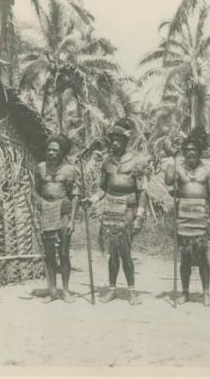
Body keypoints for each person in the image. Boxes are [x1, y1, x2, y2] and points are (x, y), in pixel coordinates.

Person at [85, 119, 147, 305]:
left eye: (118, 139)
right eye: (112, 139)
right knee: (112, 252)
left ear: (126, 141)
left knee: (125, 251)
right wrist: (92, 199)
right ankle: (112, 290)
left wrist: (139, 216)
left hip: (128, 208)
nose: (114, 143)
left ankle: (132, 292)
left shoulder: (136, 163)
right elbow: (103, 188)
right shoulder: (107, 163)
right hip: (109, 209)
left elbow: (142, 191)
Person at [164, 128, 210, 307]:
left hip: (201, 214)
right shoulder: (179, 169)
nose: (190, 153)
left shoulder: (208, 171)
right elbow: (168, 181)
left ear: (200, 151)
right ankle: (185, 292)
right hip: (183, 214)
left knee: (203, 255)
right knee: (185, 256)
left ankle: (206, 293)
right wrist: (171, 159)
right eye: (187, 151)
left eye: (194, 150)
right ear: (184, 153)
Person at [34, 134, 79, 303]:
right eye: (49, 150)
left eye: (55, 150)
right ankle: (52, 290)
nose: (51, 153)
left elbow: (75, 196)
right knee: (49, 254)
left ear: (62, 153)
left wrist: (72, 220)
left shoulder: (70, 170)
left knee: (64, 252)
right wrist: (38, 204)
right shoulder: (40, 168)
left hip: (63, 210)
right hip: (46, 210)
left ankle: (65, 290)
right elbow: (36, 190)